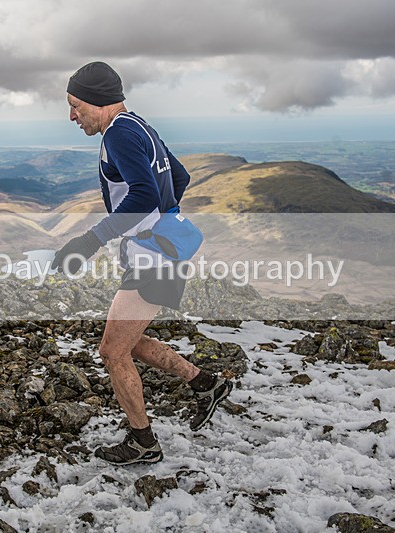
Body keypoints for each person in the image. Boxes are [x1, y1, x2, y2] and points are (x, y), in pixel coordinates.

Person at [53, 61, 233, 465]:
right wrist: (161, 225)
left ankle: (142, 442)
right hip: (160, 250)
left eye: (75, 105)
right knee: (126, 342)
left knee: (112, 351)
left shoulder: (118, 135)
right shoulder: (139, 125)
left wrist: (89, 240)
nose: (71, 116)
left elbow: (144, 196)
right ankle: (205, 384)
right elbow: (180, 177)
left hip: (155, 258)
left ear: (97, 103)